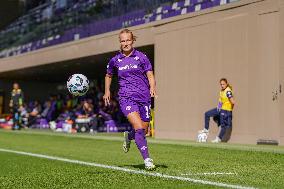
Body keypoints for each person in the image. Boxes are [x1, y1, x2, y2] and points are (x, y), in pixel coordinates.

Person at [103, 29, 157, 170]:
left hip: (144, 97)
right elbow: (108, 75)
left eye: (128, 40)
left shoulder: (142, 57)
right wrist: (107, 91)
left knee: (143, 131)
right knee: (139, 128)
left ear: (132, 41)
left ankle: (129, 137)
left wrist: (152, 87)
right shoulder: (115, 60)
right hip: (126, 98)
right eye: (123, 41)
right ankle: (147, 159)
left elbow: (150, 74)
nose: (125, 43)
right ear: (120, 42)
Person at [199, 78, 235, 143]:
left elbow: (233, 102)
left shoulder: (228, 91)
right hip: (220, 109)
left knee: (223, 126)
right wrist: (218, 107)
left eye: (223, 84)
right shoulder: (221, 91)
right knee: (207, 114)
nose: (222, 85)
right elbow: (220, 101)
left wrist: (229, 110)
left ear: (226, 84)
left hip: (226, 110)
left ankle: (218, 138)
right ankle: (206, 129)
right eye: (221, 84)